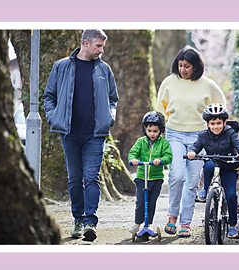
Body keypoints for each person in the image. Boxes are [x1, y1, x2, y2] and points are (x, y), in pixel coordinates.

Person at [43, 29, 118, 241]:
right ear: (85, 43)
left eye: (102, 46)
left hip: (95, 133)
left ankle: (89, 222)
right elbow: (49, 96)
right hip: (69, 133)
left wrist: (109, 117)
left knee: (91, 177)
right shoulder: (62, 67)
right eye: (98, 46)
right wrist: (53, 116)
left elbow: (113, 98)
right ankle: (77, 219)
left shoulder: (104, 69)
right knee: (75, 179)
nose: (101, 50)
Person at [156, 46, 226, 237]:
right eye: (180, 66)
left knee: (193, 182)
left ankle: (185, 223)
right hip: (175, 134)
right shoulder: (169, 82)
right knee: (177, 176)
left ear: (196, 67)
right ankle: (172, 217)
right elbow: (160, 109)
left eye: (187, 66)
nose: (183, 70)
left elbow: (220, 108)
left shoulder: (208, 85)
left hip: (199, 137)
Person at [187, 103, 239, 238]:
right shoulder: (203, 135)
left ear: (224, 122)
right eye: (213, 123)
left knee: (231, 194)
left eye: (219, 123)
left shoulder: (230, 132)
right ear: (208, 124)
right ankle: (205, 189)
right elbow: (196, 146)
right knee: (208, 165)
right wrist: (192, 151)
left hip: (228, 165)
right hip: (213, 163)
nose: (216, 126)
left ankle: (232, 225)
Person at [127, 111, 172, 233]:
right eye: (149, 131)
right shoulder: (141, 142)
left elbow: (168, 157)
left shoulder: (163, 143)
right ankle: (137, 224)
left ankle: (149, 224)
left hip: (156, 178)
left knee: (151, 202)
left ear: (160, 131)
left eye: (155, 131)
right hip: (142, 177)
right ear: (145, 130)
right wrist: (134, 160)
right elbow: (133, 153)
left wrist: (161, 160)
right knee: (141, 202)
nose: (152, 134)